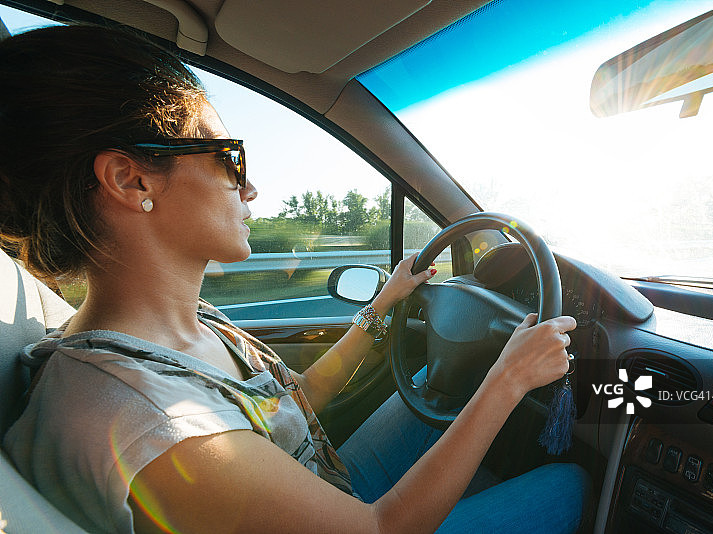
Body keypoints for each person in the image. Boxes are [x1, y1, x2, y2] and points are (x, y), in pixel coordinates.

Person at [0, 24, 589, 533]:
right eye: (229, 159)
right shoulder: (147, 418)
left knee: (431, 379)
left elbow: (287, 406)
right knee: (570, 486)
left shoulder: (178, 329)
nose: (250, 188)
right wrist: (508, 379)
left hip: (320, 479)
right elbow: (380, 528)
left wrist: (380, 308)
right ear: (132, 181)